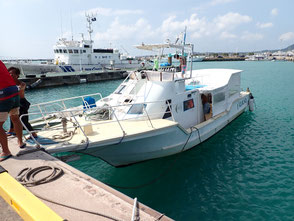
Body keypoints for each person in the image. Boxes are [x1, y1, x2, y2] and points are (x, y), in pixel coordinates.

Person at [0, 61, 26, 162]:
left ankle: (6, 151)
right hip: (14, 91)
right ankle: (20, 142)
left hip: (3, 93)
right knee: (15, 118)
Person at [7, 67, 37, 139]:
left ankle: (33, 134)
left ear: (17, 75)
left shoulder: (22, 83)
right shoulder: (9, 84)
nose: (10, 75)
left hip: (21, 103)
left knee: (23, 119)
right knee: (12, 116)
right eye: (9, 73)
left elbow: (19, 89)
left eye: (12, 74)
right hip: (13, 102)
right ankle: (12, 130)